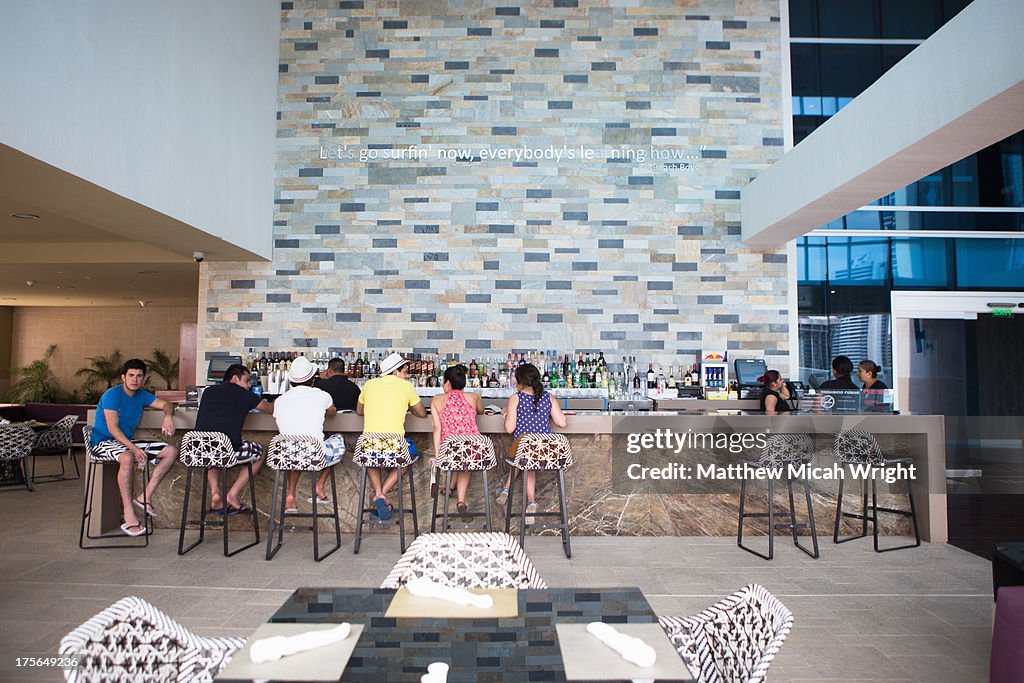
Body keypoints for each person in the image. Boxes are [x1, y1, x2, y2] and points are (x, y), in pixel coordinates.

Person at [89, 358, 178, 537]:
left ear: (144, 378)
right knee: (128, 457)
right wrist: (133, 449)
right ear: (123, 377)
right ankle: (129, 515)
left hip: (125, 442)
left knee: (171, 451)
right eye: (131, 375)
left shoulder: (142, 395)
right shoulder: (112, 395)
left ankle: (145, 497)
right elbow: (113, 429)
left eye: (139, 376)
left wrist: (168, 416)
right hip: (103, 442)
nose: (134, 380)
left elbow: (166, 404)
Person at [194, 363, 273, 514]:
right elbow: (269, 409)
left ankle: (215, 493)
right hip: (228, 451)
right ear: (235, 379)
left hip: (201, 451)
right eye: (247, 380)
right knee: (260, 452)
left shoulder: (208, 391)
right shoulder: (245, 395)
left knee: (214, 454)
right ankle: (232, 494)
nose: (249, 385)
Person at [356, 352, 427, 521]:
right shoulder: (406, 386)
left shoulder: (369, 385)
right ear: (396, 372)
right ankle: (382, 493)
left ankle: (378, 493)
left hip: (368, 446)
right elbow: (422, 413)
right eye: (404, 372)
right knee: (410, 455)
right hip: (395, 447)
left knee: (370, 458)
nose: (406, 375)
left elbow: (359, 411)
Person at [497, 363, 567, 524]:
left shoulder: (516, 398)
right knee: (529, 460)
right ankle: (530, 502)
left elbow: (509, 428)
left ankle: (508, 490)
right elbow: (562, 422)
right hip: (546, 451)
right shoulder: (549, 397)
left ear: (519, 381)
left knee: (524, 457)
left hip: (524, 449)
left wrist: (506, 415)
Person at [272, 356, 345, 512]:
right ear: (313, 379)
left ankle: (290, 494)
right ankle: (319, 485)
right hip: (315, 456)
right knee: (338, 440)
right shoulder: (322, 395)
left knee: (296, 448)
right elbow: (332, 413)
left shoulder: (280, 400)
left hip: (287, 456)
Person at [430, 364, 484, 515]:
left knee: (457, 454)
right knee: (465, 459)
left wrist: (437, 454)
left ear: (447, 383)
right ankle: (461, 500)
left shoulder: (437, 400)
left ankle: (450, 488)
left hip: (450, 451)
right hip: (473, 450)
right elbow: (481, 411)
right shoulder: (473, 397)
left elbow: (437, 428)